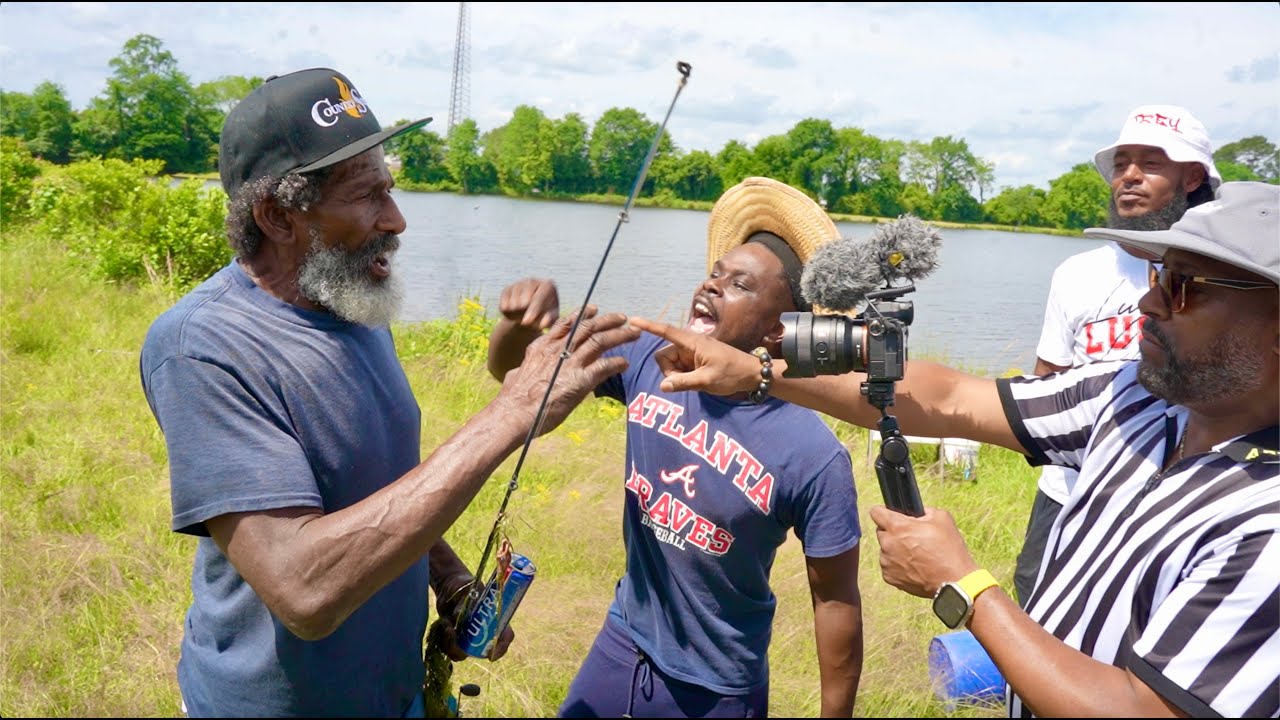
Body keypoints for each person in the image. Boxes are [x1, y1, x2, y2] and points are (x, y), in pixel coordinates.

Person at [627, 181, 1279, 718]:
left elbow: (1144, 711)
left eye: (1186, 286)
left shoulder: (1267, 524)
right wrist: (765, 366)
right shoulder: (1135, 396)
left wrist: (965, 588)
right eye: (1159, 273)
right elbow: (952, 396)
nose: (1148, 300)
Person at [138, 67, 641, 718]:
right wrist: (513, 411)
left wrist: (451, 578)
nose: (397, 219)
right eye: (368, 195)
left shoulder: (348, 303)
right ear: (276, 216)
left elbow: (372, 489)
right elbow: (302, 590)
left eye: (392, 190)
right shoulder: (204, 347)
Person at [486, 177, 864, 718]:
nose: (711, 286)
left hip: (718, 688)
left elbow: (835, 600)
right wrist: (515, 326)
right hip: (622, 642)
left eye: (740, 284)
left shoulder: (812, 454)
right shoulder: (647, 356)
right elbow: (513, 376)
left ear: (779, 332)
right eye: (714, 273)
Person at [1015, 104, 1223, 606]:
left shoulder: (1219, 276)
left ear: (1192, 175)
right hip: (1068, 489)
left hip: (1168, 495)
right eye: (1121, 163)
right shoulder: (1076, 273)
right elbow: (1048, 377)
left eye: (1150, 163)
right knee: (1035, 596)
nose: (1128, 176)